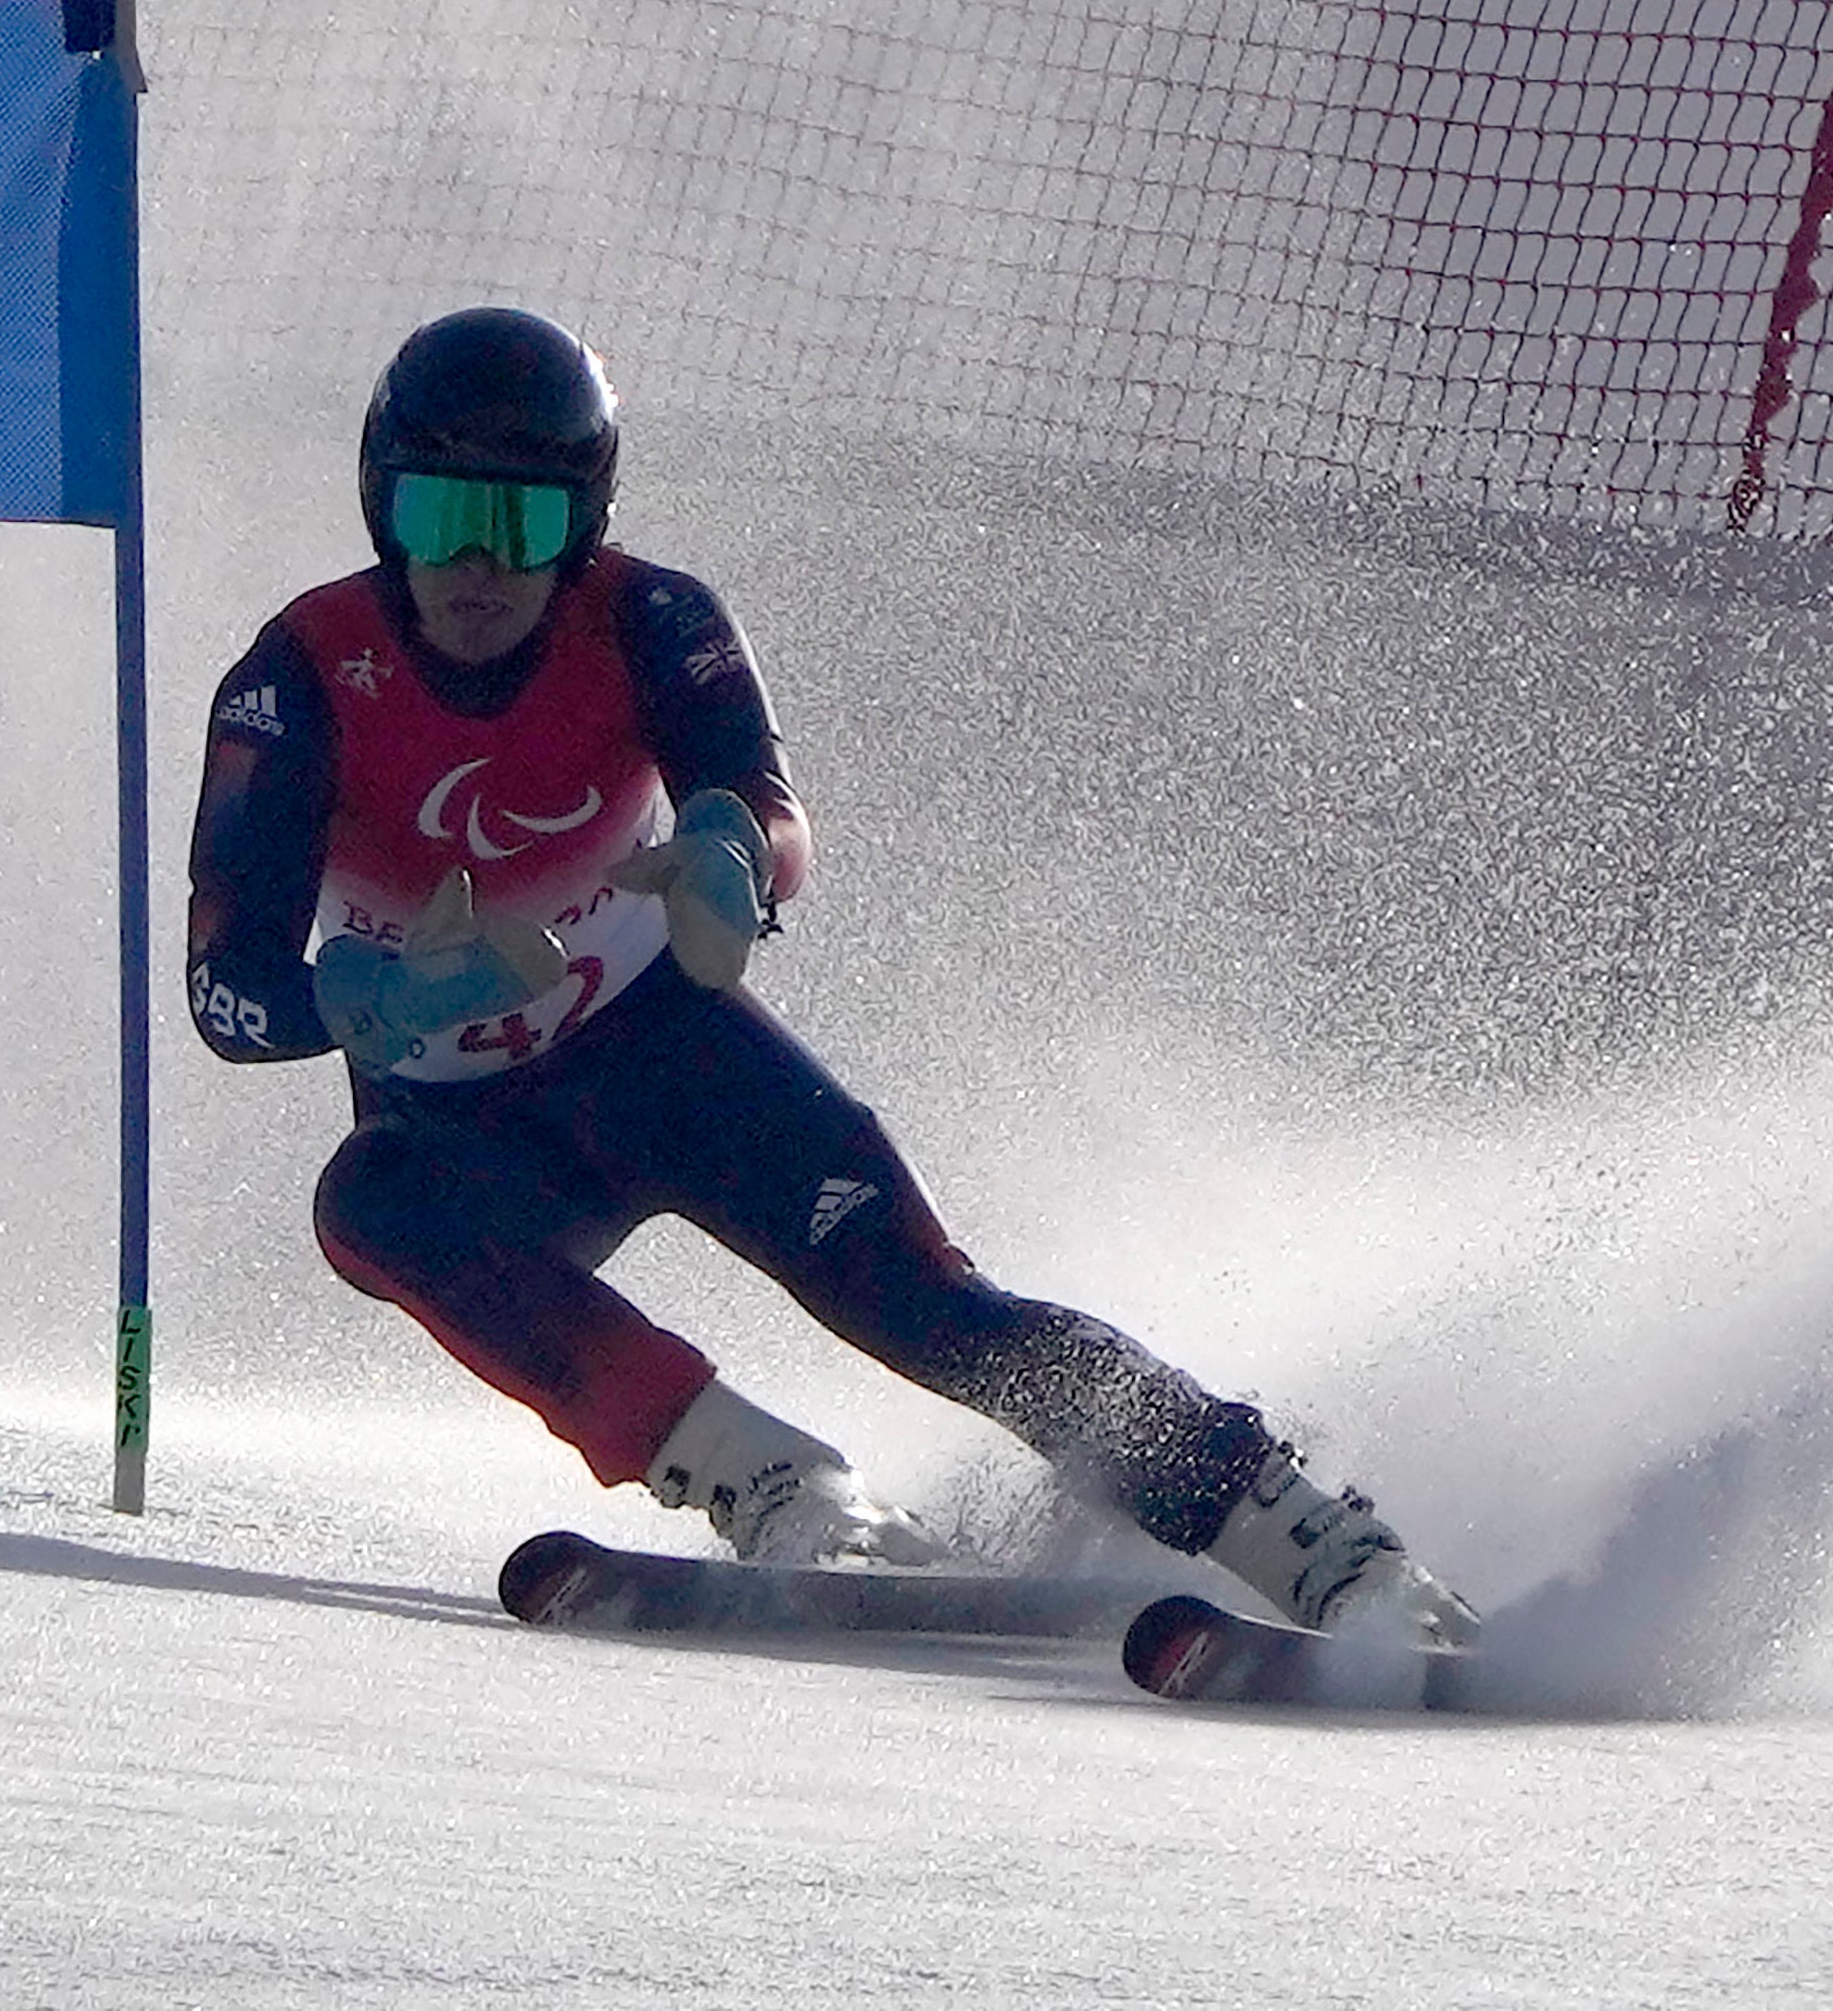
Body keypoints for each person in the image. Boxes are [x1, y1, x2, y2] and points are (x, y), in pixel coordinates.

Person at [183, 304, 1477, 1647]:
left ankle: (1309, 1535)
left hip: (673, 1061)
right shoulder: (298, 680)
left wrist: (736, 852)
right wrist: (362, 998)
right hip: (462, 1137)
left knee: (931, 1307)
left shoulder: (651, 620)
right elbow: (224, 988)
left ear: (588, 527)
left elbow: (762, 796)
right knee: (367, 1206)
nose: (476, 564)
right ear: (381, 505)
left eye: (524, 525)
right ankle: (772, 1479)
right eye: (440, 511)